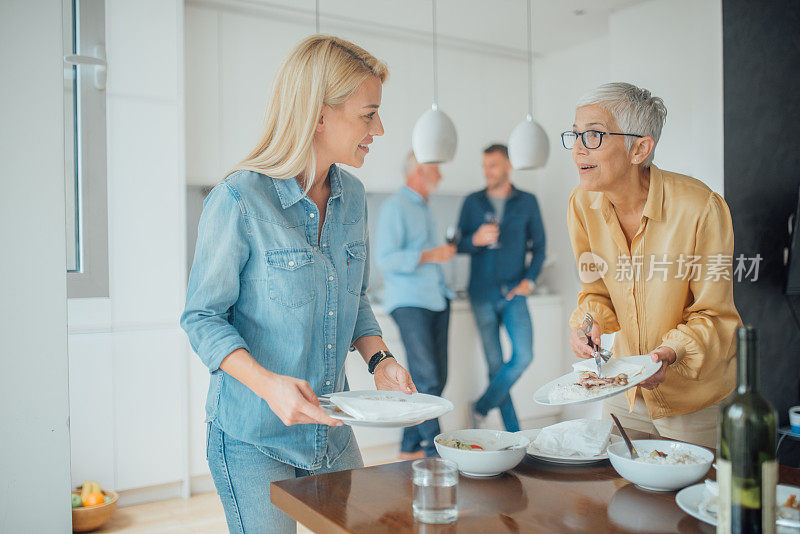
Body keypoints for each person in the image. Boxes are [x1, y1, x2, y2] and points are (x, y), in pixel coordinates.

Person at [180, 35, 417, 534]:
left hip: (330, 431)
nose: (379, 128)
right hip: (252, 436)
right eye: (368, 114)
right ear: (319, 115)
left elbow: (355, 297)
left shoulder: (353, 196)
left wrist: (381, 360)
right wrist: (271, 388)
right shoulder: (239, 199)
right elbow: (201, 318)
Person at [564, 82, 741, 448]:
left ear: (639, 148)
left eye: (594, 135)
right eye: (576, 134)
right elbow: (595, 291)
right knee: (620, 495)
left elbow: (715, 315)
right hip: (623, 388)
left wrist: (669, 353)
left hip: (693, 400)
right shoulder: (582, 205)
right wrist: (588, 325)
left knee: (688, 501)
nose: (578, 148)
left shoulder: (701, 208)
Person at [457, 144, 546, 432]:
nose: (487, 172)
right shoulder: (472, 202)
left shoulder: (528, 201)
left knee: (524, 355)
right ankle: (514, 433)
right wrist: (475, 240)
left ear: (508, 165)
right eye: (484, 166)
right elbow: (458, 243)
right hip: (481, 295)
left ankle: (481, 407)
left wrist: (529, 281)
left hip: (513, 293)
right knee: (496, 364)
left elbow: (541, 248)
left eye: (493, 165)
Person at [375, 151, 456, 459]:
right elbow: (386, 259)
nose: (441, 177)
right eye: (436, 170)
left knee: (436, 379)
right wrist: (432, 255)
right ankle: (438, 452)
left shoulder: (425, 207)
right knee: (427, 377)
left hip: (437, 298)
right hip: (410, 301)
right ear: (419, 172)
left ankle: (408, 448)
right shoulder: (396, 207)